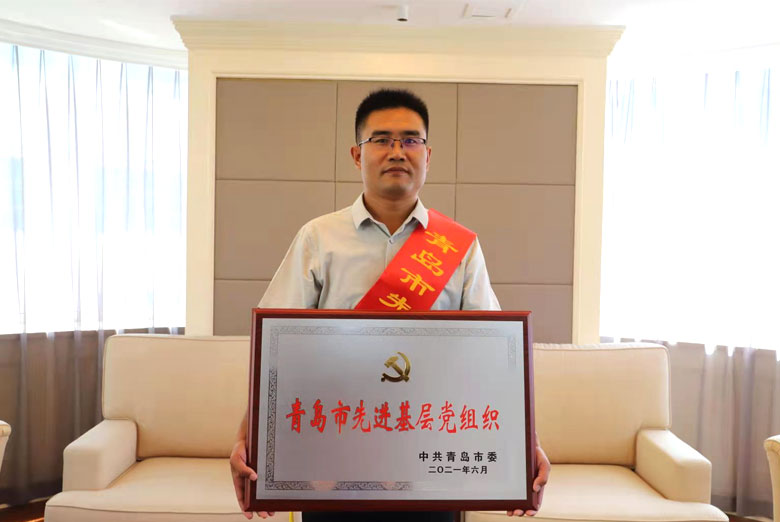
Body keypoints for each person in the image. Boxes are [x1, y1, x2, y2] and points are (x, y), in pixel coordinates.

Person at [230, 89, 550, 521]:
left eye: (411, 140)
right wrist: (246, 438)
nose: (397, 151)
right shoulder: (318, 239)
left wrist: (526, 447)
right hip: (333, 455)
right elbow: (275, 352)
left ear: (427, 155)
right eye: (381, 139)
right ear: (357, 155)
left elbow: (494, 359)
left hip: (430, 456)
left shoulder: (460, 247)